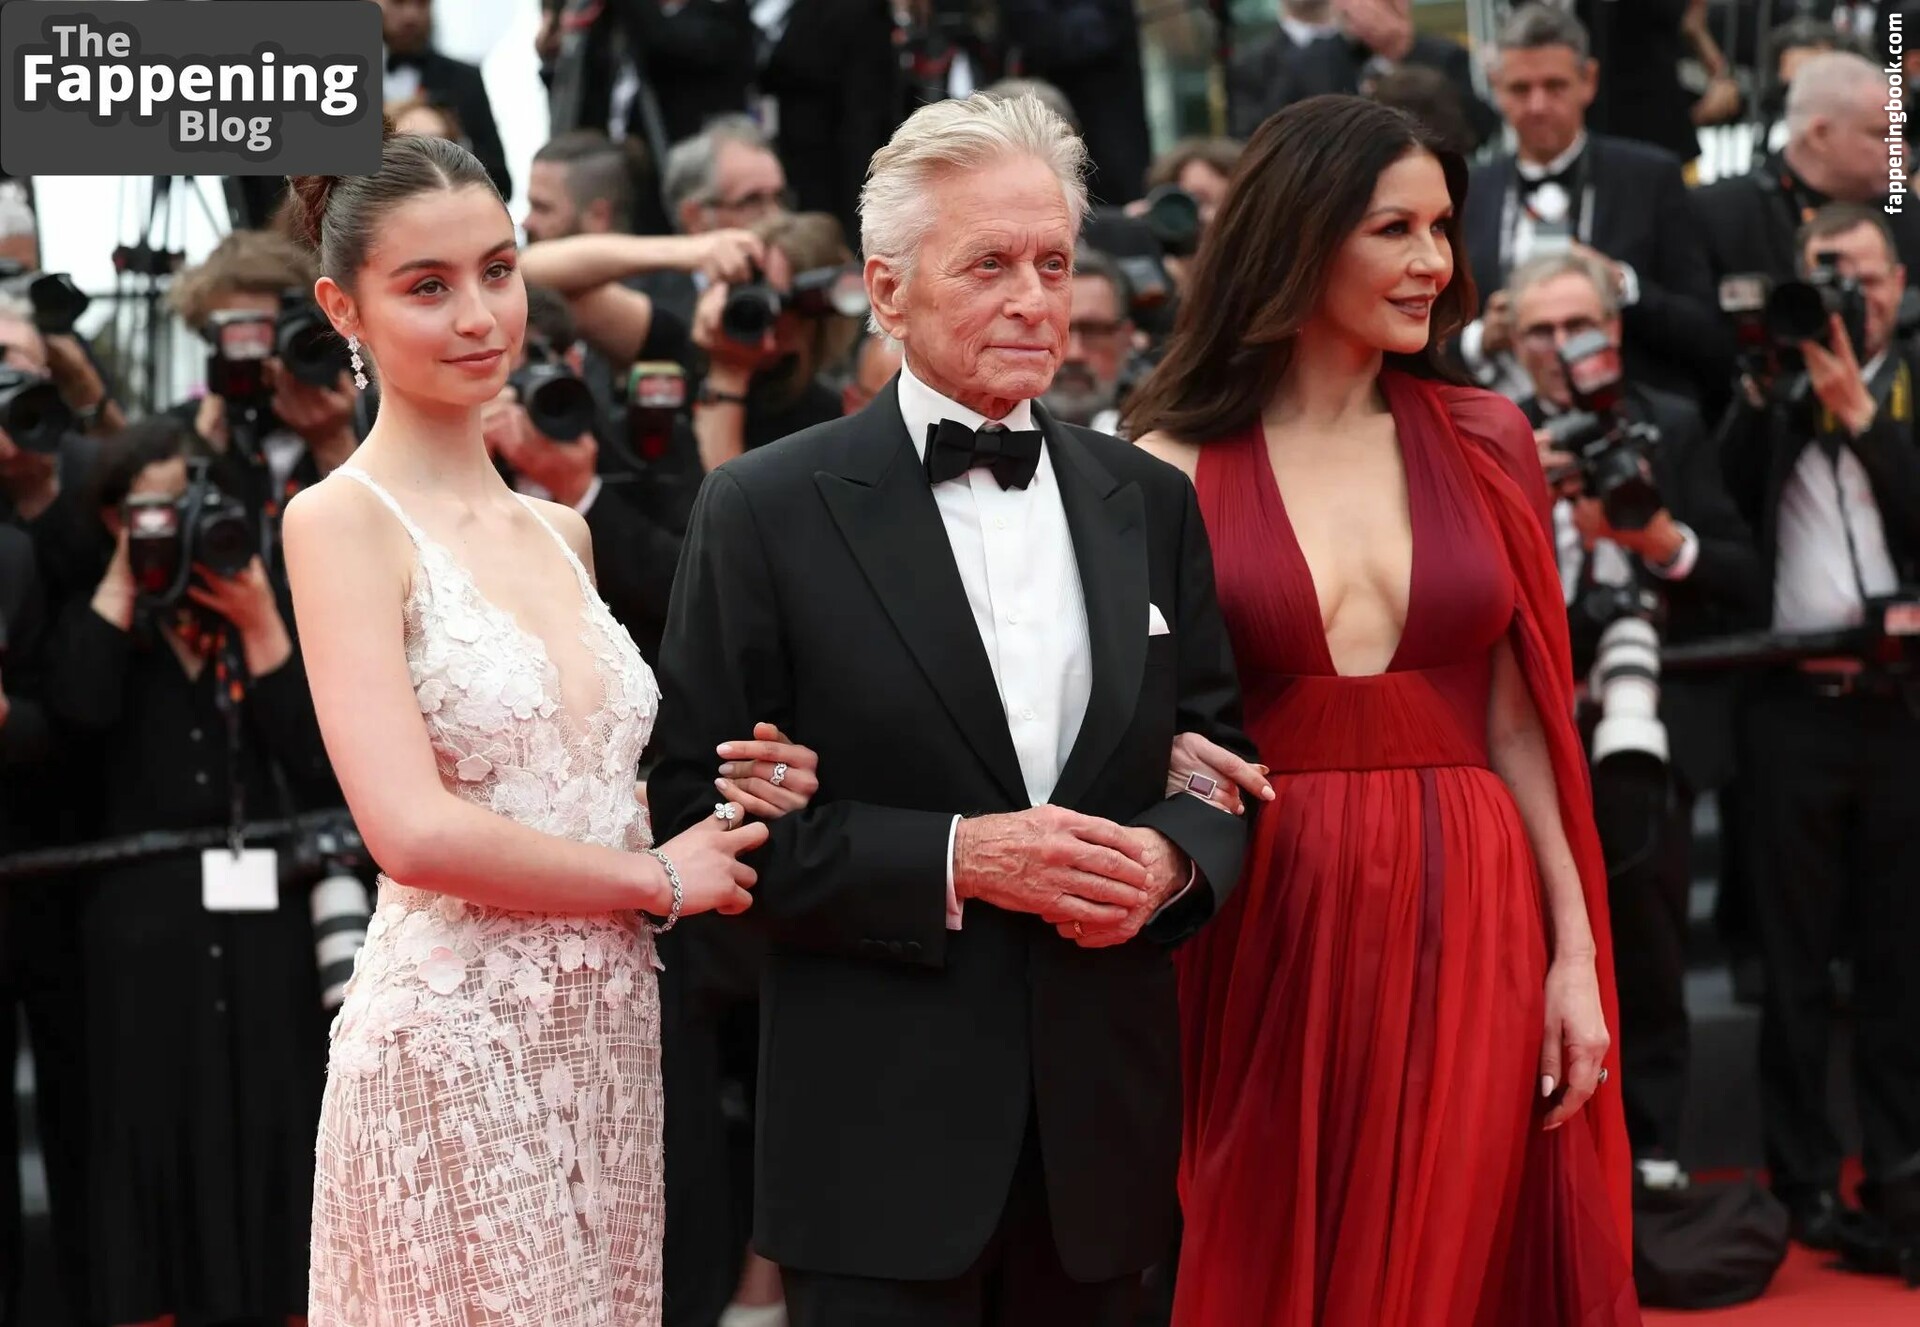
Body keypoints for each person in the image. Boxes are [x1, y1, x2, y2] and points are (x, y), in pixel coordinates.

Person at [646, 92, 1258, 1326]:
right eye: (990, 264)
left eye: (1054, 264)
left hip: (1104, 1135)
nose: (1034, 299)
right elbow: (693, 815)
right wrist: (959, 858)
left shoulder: (1147, 499)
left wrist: (1171, 863)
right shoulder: (765, 508)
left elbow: (1218, 759)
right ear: (887, 287)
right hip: (876, 1140)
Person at [281, 127, 815, 1324]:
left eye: (499, 270)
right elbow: (410, 831)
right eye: (428, 286)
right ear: (343, 308)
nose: (481, 316)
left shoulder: (561, 531)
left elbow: (585, 789)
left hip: (606, 1038)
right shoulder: (339, 521)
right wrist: (654, 878)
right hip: (449, 1045)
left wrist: (739, 795)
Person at [1124, 94, 1640, 1324]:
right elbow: (1142, 726)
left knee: (1453, 1250)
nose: (1433, 263)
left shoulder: (1489, 438)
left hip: (1473, 889)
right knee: (1266, 1244)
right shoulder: (1163, 460)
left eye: (1442, 228)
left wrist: (1575, 958)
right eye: (1394, 229)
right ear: (1300, 237)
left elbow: (1522, 724)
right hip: (1266, 905)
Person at [1507, 250, 1766, 1183]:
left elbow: (1744, 576)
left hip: (1652, 729)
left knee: (1650, 947)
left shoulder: (1674, 423)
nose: (1562, 346)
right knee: (1527, 949)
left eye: (1578, 325)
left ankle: (1653, 1152)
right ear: (1513, 345)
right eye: (1540, 330)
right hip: (1527, 729)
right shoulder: (1492, 432)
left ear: (1615, 330)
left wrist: (1662, 541)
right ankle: (1536, 1159)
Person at [1717, 202, 1920, 1267]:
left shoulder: (1910, 387)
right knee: (1791, 969)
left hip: (1901, 710)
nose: (1850, 295)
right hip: (1788, 712)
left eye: (1866, 276)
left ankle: (1899, 1171)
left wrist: (1868, 423)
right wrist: (1774, 391)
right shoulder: (1769, 388)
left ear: (1900, 286)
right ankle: (1800, 1183)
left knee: (1899, 960)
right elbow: (1723, 504)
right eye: (1828, 273)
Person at [1461, 5, 1723, 406]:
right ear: (1496, 88)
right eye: (1520, 89)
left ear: (1589, 81)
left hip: (1629, 415)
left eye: (1555, 86)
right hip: (1500, 420)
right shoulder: (1469, 190)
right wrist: (1481, 339)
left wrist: (1624, 286)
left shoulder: (1651, 177)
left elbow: (1706, 331)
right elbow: (1432, 333)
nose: (1537, 105)